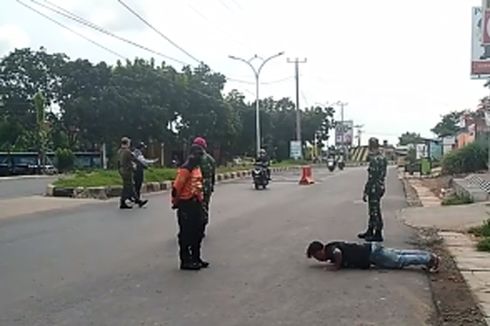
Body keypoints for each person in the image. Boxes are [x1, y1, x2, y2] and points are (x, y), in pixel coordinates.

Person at [171, 144, 208, 271]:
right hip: (186, 204)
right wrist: (176, 203)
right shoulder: (185, 169)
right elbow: (177, 188)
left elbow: (198, 185)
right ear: (191, 155)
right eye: (197, 154)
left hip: (196, 203)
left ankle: (196, 258)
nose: (199, 157)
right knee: (186, 234)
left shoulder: (196, 168)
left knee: (197, 232)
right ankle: (185, 261)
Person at [306, 240, 440, 272]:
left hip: (371, 254)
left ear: (320, 250)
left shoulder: (331, 250)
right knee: (400, 254)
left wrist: (336, 267)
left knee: (399, 261)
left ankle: (429, 259)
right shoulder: (331, 247)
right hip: (371, 248)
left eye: (317, 256)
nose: (320, 260)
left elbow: (338, 253)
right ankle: (427, 256)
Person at [358, 137, 388, 242]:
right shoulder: (382, 158)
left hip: (375, 187)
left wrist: (366, 191)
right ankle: (370, 230)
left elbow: (372, 177)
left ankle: (378, 233)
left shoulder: (375, 159)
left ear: (371, 146)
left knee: (375, 211)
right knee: (373, 210)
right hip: (380, 185)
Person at [192, 137, 216, 234]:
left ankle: (195, 227)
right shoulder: (211, 159)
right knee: (204, 206)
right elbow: (213, 175)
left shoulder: (194, 158)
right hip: (207, 187)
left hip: (195, 186)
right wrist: (212, 186)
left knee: (193, 206)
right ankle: (202, 227)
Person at [118, 137, 148, 209]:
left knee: (126, 187)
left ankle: (127, 201)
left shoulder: (119, 151)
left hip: (122, 170)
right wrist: (143, 166)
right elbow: (135, 159)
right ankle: (137, 201)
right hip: (127, 171)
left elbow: (118, 162)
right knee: (130, 186)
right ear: (127, 143)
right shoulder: (127, 152)